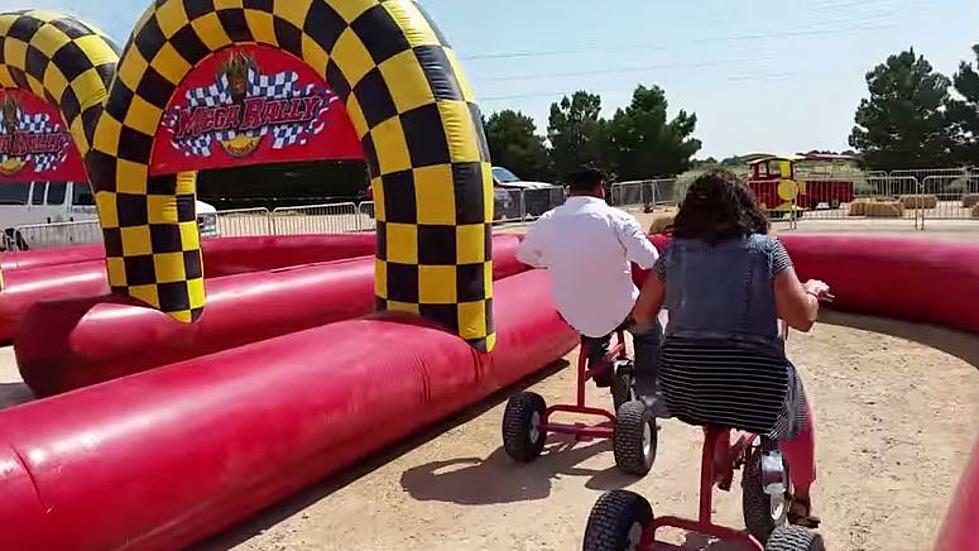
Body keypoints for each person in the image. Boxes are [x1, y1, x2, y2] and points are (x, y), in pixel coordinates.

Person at [631, 169, 828, 527]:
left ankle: (718, 452)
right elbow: (801, 318)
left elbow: (642, 315)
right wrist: (813, 292)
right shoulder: (767, 250)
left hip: (682, 389)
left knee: (709, 372)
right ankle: (801, 498)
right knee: (796, 415)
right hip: (755, 388)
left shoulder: (673, 253)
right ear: (746, 207)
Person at [516, 167, 665, 413]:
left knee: (592, 316)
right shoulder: (617, 218)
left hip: (571, 312)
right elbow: (650, 259)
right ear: (601, 189)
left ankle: (601, 363)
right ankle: (647, 391)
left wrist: (556, 259)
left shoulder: (548, 220)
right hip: (621, 309)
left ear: (568, 192)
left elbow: (525, 255)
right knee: (648, 331)